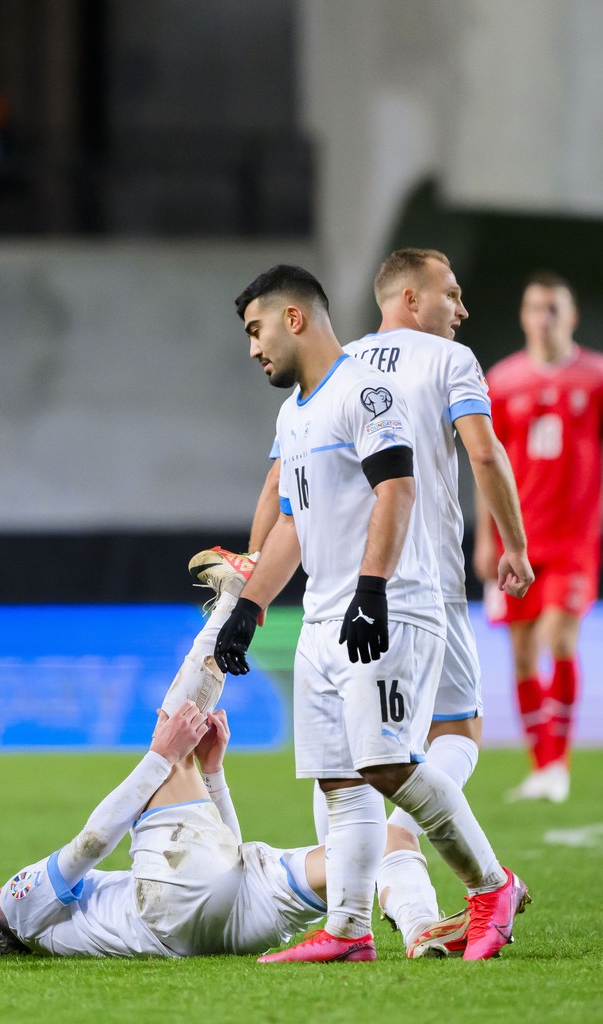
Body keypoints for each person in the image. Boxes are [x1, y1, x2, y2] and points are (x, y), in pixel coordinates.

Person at [212, 265, 528, 963]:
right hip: (322, 615)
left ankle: (491, 884)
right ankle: (349, 930)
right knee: (339, 778)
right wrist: (252, 604)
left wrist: (373, 588)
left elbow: (397, 488)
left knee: (385, 763)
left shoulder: (365, 388)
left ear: (294, 318)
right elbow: (294, 521)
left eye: (256, 330)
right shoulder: (293, 413)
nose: (254, 348)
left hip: (386, 603)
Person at [0, 551, 405, 961]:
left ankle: (416, 919)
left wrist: (214, 774)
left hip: (226, 926)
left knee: (362, 848)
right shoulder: (19, 907)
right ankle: (235, 599)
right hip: (169, 903)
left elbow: (225, 860)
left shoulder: (67, 932)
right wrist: (162, 756)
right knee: (174, 732)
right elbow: (93, 841)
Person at [478, 271, 603, 803]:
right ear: (523, 316)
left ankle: (559, 765)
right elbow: (487, 464)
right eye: (534, 308)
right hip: (518, 539)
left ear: (571, 316)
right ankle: (541, 767)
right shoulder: (501, 380)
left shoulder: (599, 375)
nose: (543, 318)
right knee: (522, 654)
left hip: (574, 541)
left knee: (558, 638)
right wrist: (485, 537)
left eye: (553, 308)